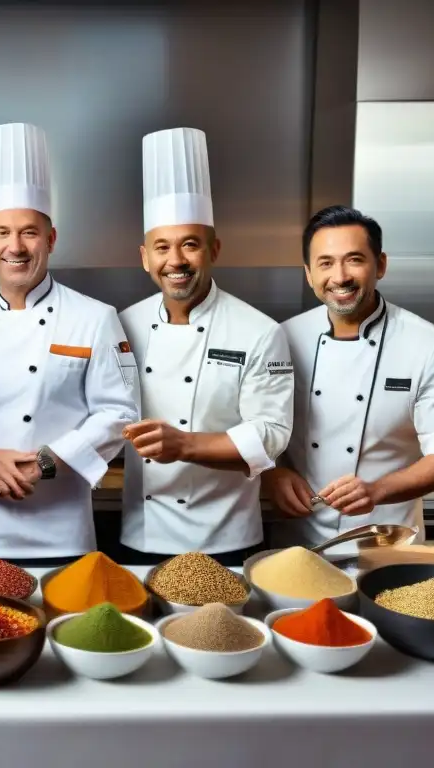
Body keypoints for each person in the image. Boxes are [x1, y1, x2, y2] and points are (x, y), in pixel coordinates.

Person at [0, 123, 139, 567]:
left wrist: (47, 461)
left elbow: (120, 412)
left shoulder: (95, 317)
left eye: (29, 232)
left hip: (64, 530)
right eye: (2, 233)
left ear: (51, 239)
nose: (16, 247)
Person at [119, 127, 295, 567]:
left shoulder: (259, 330)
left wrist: (185, 445)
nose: (175, 261)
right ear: (145, 257)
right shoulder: (122, 325)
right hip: (139, 532)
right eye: (162, 247)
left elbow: (271, 434)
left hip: (226, 538)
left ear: (214, 249)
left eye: (190, 245)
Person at [263, 205, 434, 550]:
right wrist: (270, 473)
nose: (340, 276)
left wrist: (376, 490)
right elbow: (253, 428)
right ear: (308, 273)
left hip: (388, 545)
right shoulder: (280, 340)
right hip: (298, 546)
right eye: (326, 263)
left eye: (355, 259)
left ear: (381, 265)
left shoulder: (432, 347)